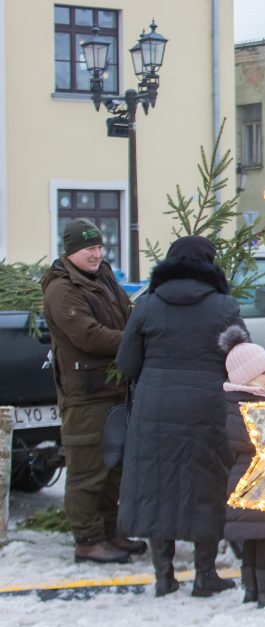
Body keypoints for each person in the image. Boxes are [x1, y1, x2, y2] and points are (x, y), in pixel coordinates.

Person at [116, 235, 242, 598]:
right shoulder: (225, 307)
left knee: (157, 487)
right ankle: (205, 575)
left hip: (153, 409)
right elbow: (240, 360)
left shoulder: (148, 305)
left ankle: (163, 576)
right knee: (206, 486)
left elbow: (126, 363)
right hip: (208, 408)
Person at [40, 218, 145, 563]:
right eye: (89, 249)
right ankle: (88, 541)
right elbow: (89, 335)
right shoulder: (62, 289)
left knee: (114, 467)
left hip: (115, 389)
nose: (97, 254)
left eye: (99, 247)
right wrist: (134, 342)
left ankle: (112, 533)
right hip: (85, 395)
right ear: (71, 252)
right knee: (88, 470)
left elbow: (126, 314)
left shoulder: (104, 276)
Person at [218, 325, 265, 609]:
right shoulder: (245, 408)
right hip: (255, 481)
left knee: (252, 540)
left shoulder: (241, 403)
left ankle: (251, 589)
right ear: (246, 377)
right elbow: (251, 442)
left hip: (247, 481)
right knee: (264, 540)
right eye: (263, 373)